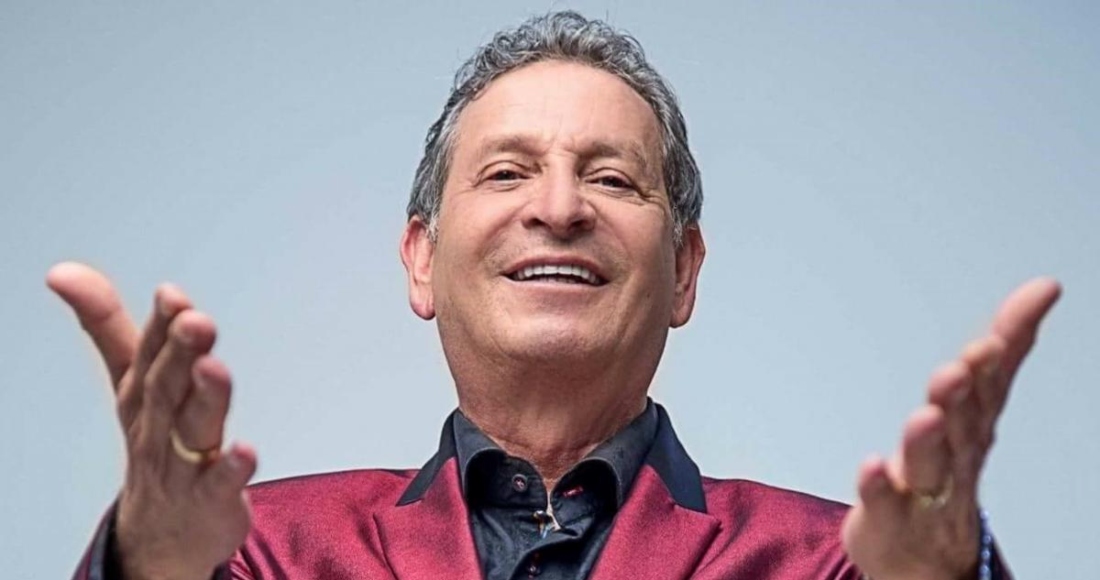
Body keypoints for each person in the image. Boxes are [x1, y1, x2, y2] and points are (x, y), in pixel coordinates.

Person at [56, 11, 1059, 580]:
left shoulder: (835, 562)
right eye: (506, 173)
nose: (560, 207)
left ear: (684, 271)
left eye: (613, 178)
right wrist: (147, 564)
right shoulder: (256, 552)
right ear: (420, 259)